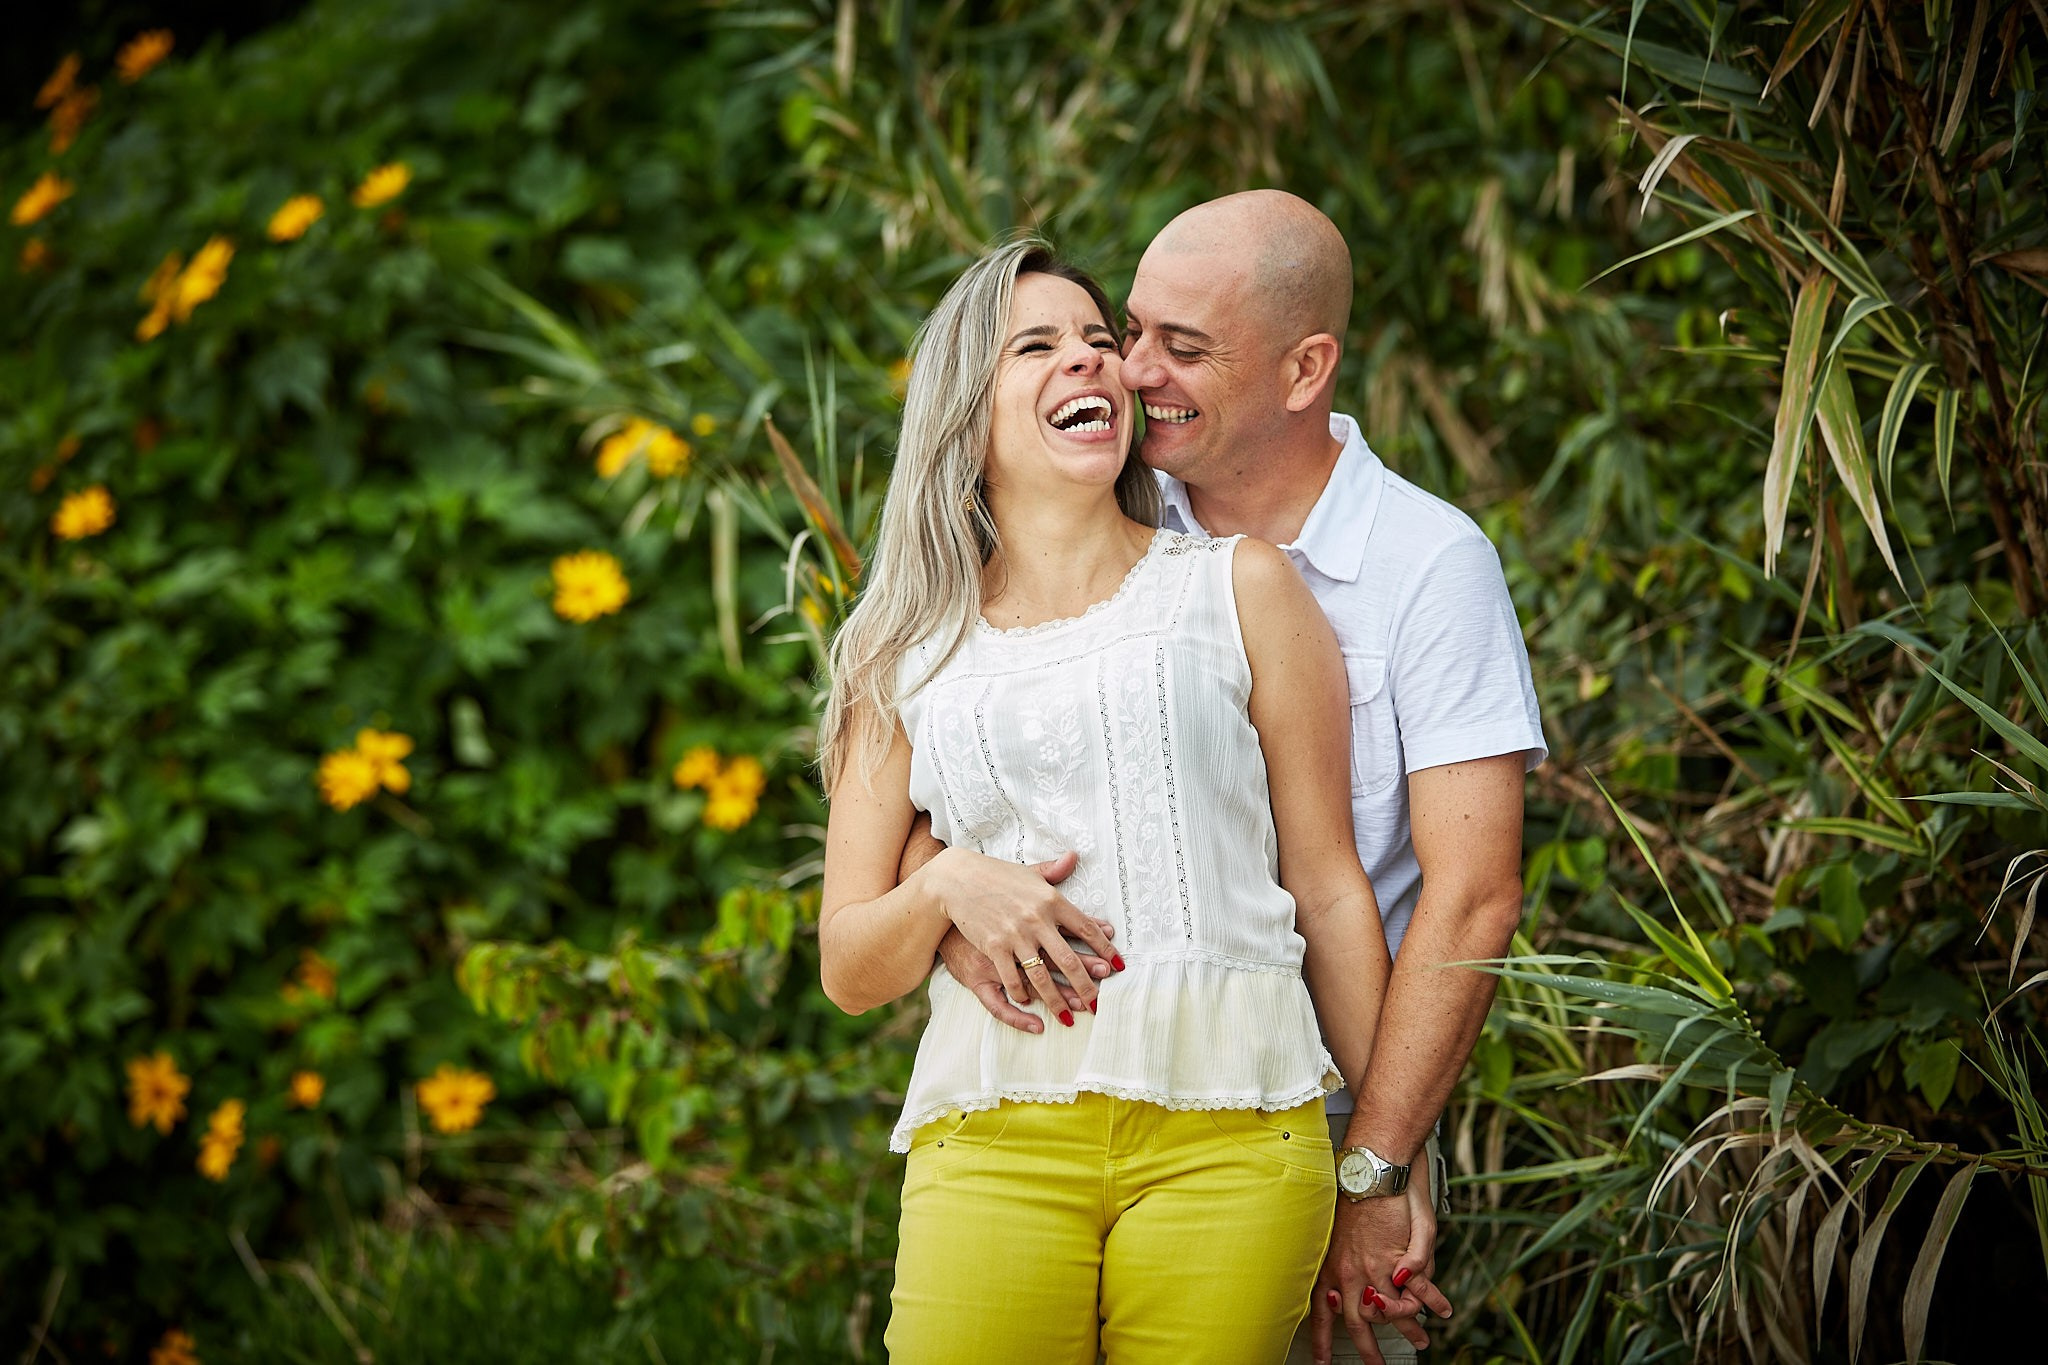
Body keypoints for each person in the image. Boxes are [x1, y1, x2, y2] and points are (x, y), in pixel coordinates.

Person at [932, 191, 1547, 1365]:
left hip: (1321, 1107)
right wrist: (955, 899)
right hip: (1074, 1082)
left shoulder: (1425, 566)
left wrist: (1373, 1166)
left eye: (1183, 348)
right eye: (1130, 331)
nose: (1128, 370)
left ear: (1303, 367)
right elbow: (932, 766)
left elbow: (1472, 900)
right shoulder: (1091, 510)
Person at [816, 237, 1399, 1365]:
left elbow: (1325, 887)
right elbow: (849, 967)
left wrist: (1380, 1164)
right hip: (991, 1135)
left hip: (1233, 1133)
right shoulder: (898, 654)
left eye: (1097, 340)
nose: (1088, 362)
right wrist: (946, 885)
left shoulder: (1238, 585)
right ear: (962, 413)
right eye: (1035, 346)